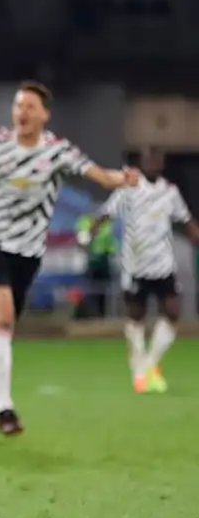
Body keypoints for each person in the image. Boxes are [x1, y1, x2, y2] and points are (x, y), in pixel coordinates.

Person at [0, 80, 140, 435]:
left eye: (31, 107)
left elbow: (99, 175)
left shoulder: (57, 152)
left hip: (28, 253)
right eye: (19, 106)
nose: (23, 112)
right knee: (1, 323)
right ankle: (5, 410)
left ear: (45, 114)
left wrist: (121, 178)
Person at [83, 147, 199, 393]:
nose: (153, 163)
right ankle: (139, 372)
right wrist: (91, 229)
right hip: (135, 265)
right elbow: (106, 213)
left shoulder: (170, 192)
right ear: (142, 162)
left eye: (158, 159)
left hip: (163, 264)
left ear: (163, 163)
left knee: (172, 312)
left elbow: (186, 220)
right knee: (136, 318)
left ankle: (148, 365)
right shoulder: (129, 188)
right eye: (149, 159)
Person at [74, 211, 117, 318]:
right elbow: (83, 244)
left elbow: (112, 246)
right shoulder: (85, 222)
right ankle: (87, 314)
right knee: (89, 290)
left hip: (104, 262)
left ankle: (102, 315)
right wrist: (92, 231)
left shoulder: (107, 225)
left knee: (103, 291)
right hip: (90, 263)